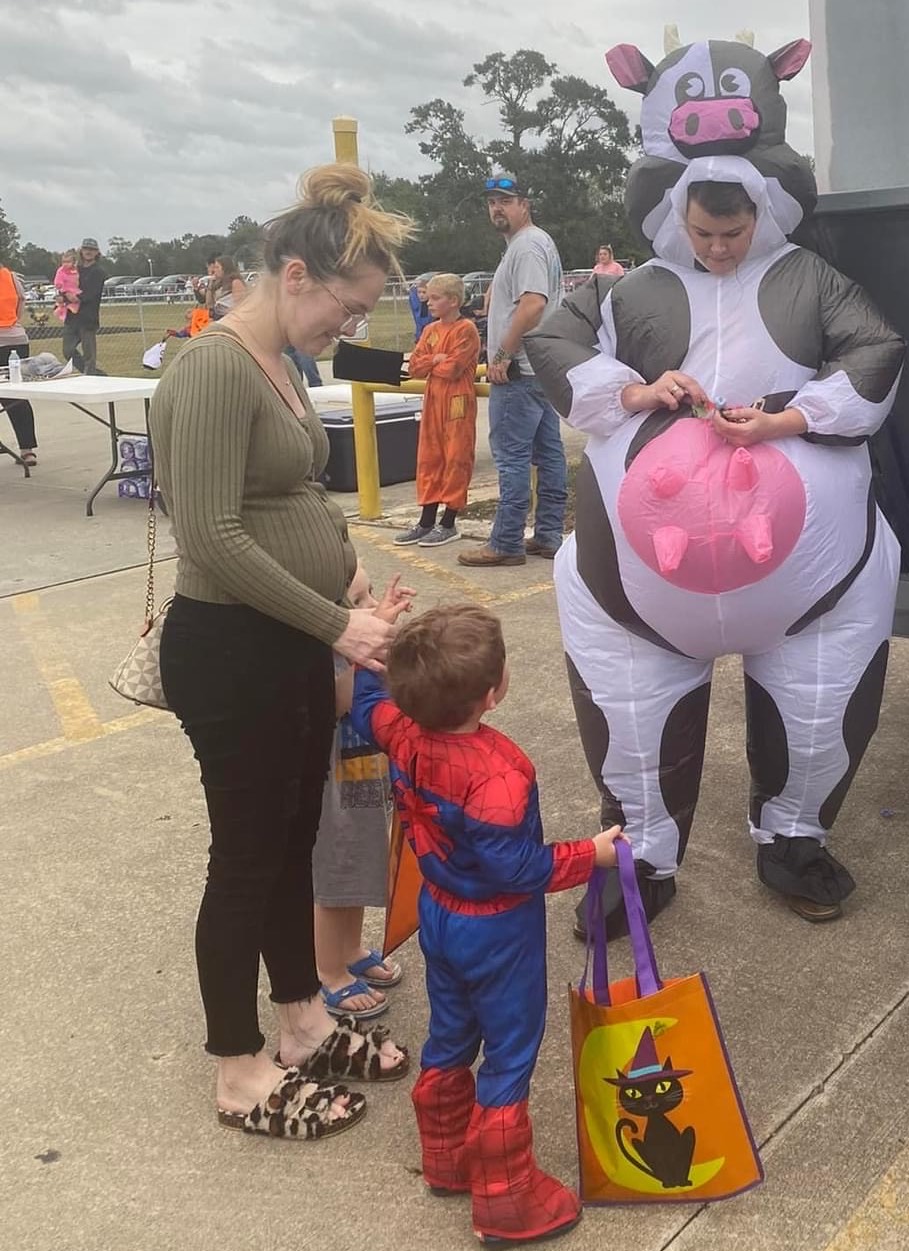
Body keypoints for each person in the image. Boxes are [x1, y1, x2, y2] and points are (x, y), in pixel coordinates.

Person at [528, 35, 905, 939]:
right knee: (632, 704)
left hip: (813, 575)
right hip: (637, 584)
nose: (721, 247)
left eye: (734, 232)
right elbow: (553, 344)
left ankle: (795, 837)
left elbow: (878, 349)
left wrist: (788, 418)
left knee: (820, 699)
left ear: (765, 209)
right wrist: (633, 391)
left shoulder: (809, 278)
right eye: (704, 233)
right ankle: (641, 856)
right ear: (675, 217)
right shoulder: (632, 290)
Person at [150, 163, 417, 1142]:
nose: (346, 331)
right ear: (295, 275)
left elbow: (284, 504)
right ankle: (238, 1068)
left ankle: (302, 1019)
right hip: (236, 653)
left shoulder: (279, 366)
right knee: (247, 861)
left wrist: (343, 580)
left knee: (292, 844)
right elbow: (211, 534)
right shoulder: (215, 365)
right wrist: (338, 624)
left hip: (291, 644)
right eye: (346, 311)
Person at [348, 602, 623, 1245]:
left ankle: (446, 1157)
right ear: (493, 693)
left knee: (450, 1032)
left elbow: (366, 702)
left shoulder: (400, 730)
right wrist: (595, 855)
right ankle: (505, 1197)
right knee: (509, 1053)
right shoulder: (500, 773)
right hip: (499, 931)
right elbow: (518, 871)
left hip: (438, 915)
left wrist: (373, 635)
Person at [313, 564, 415, 1020]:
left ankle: (351, 949)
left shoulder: (359, 651)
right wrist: (363, 649)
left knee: (360, 866)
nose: (372, 607)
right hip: (335, 787)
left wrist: (381, 625)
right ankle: (328, 971)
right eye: (357, 603)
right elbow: (340, 702)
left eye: (371, 594)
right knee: (338, 875)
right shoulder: (326, 660)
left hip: (364, 779)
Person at [458, 174, 567, 568]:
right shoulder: (533, 245)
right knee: (548, 455)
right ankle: (549, 535)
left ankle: (506, 541)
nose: (497, 208)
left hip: (519, 371)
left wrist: (503, 352)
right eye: (491, 202)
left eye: (505, 200)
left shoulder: (527, 246)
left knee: (513, 457)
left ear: (525, 204)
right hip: (540, 370)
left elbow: (533, 304)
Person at [395, 273, 482, 548]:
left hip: (457, 400)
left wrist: (433, 364)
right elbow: (414, 366)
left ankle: (449, 521)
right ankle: (426, 519)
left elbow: (453, 368)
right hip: (433, 398)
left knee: (456, 457)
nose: (428, 303)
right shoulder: (431, 330)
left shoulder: (466, 329)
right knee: (429, 456)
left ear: (453, 300)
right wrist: (434, 359)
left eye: (435, 298)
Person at [0, 263, 37, 466]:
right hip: (16, 338)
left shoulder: (11, 277)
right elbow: (20, 303)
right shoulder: (12, 277)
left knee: (14, 397)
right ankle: (27, 450)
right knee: (16, 398)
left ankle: (26, 448)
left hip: (9, 342)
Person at [62, 238, 106, 374]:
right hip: (72, 316)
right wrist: (63, 296)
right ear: (81, 251)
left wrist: (77, 298)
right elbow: (65, 285)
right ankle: (96, 375)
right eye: (86, 249)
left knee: (89, 354)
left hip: (88, 318)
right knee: (67, 350)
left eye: (92, 250)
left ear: (96, 252)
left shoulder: (98, 271)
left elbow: (92, 293)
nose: (88, 252)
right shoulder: (75, 270)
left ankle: (91, 377)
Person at [53, 250, 81, 324]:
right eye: (64, 262)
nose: (65, 264)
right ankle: (63, 310)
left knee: (76, 299)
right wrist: (59, 284)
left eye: (68, 262)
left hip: (76, 290)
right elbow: (58, 280)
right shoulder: (61, 271)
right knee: (62, 300)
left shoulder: (77, 270)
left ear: (74, 262)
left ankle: (72, 307)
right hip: (64, 289)